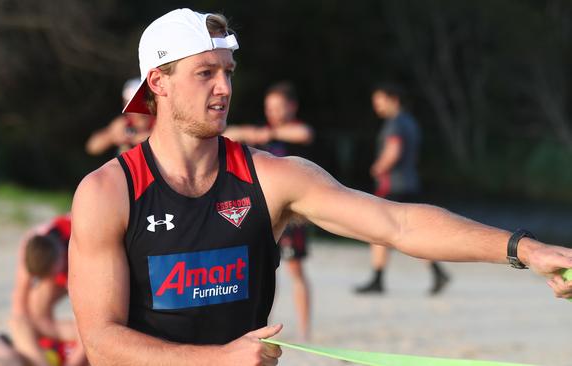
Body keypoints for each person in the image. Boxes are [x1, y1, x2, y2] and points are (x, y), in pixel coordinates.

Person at [68, 8, 572, 366]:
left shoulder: (271, 177)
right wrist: (217, 360)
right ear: (157, 82)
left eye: (228, 72)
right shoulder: (108, 193)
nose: (224, 89)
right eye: (205, 74)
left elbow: (397, 223)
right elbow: (102, 343)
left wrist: (523, 248)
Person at [224, 81, 314, 340]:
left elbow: (304, 133)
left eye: (278, 107)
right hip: (265, 212)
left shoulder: (293, 132)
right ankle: (263, 324)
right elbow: (231, 132)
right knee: (262, 272)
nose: (273, 112)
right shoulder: (262, 131)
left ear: (292, 107)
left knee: (296, 271)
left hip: (293, 215)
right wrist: (255, 133)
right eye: (269, 107)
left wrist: (269, 135)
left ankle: (305, 329)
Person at [355, 83, 450, 295]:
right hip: (410, 182)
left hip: (393, 185)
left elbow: (394, 150)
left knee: (376, 230)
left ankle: (377, 279)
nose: (376, 106)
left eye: (379, 101)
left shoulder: (395, 123)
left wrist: (379, 167)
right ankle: (437, 271)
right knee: (412, 232)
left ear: (393, 99)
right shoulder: (410, 122)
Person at [9, 214, 87, 366]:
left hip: (83, 263)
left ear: (61, 258)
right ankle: (44, 355)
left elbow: (90, 321)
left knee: (88, 322)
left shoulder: (80, 248)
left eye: (52, 274)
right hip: (57, 257)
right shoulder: (30, 243)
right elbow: (19, 303)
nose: (50, 279)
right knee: (27, 314)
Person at [85, 78, 154, 156]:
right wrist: (112, 136)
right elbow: (92, 147)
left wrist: (135, 138)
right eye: (128, 102)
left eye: (137, 102)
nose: (133, 106)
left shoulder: (158, 120)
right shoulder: (124, 123)